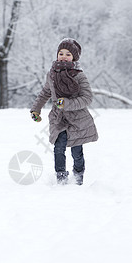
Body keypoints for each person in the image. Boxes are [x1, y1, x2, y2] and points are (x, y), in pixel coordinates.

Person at [30, 38, 98, 185]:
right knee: (58, 148)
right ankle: (61, 178)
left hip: (77, 120)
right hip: (58, 119)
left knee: (76, 152)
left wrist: (67, 103)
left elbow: (87, 98)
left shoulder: (79, 76)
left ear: (74, 57)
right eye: (61, 53)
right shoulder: (52, 74)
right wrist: (36, 110)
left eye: (68, 54)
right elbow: (45, 93)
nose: (63, 56)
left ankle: (78, 177)